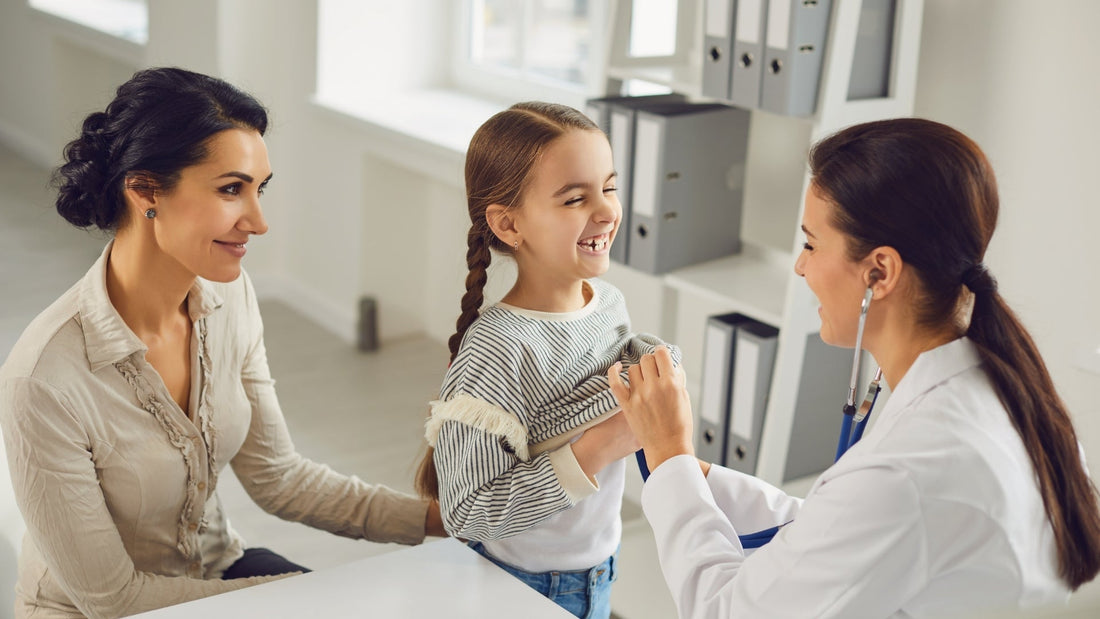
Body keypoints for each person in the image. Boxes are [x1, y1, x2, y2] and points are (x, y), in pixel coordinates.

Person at [607, 118, 1100, 618]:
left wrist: (669, 460)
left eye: (811, 243)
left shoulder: (911, 466)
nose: (800, 266)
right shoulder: (995, 387)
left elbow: (727, 611)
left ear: (879, 271)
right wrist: (692, 473)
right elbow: (832, 535)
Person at [0, 67, 446, 619]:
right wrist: (309, 598)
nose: (258, 222)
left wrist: (440, 518)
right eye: (231, 189)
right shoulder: (43, 380)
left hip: (213, 570)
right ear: (144, 191)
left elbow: (280, 478)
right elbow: (114, 600)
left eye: (260, 189)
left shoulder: (228, 299)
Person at [414, 101, 678, 619]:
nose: (606, 211)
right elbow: (467, 512)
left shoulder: (608, 304)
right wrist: (600, 446)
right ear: (509, 224)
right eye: (575, 198)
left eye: (609, 187)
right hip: (524, 586)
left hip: (598, 567)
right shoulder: (499, 348)